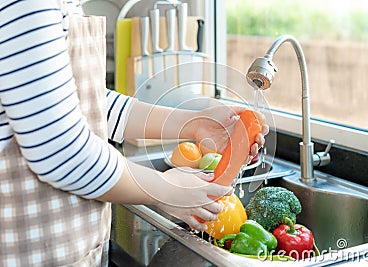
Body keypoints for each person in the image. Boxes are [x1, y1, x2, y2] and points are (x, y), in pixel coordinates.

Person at [0, 0, 268, 266]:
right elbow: (61, 152)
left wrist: (193, 122)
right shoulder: (29, 4)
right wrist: (165, 189)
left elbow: (87, 102)